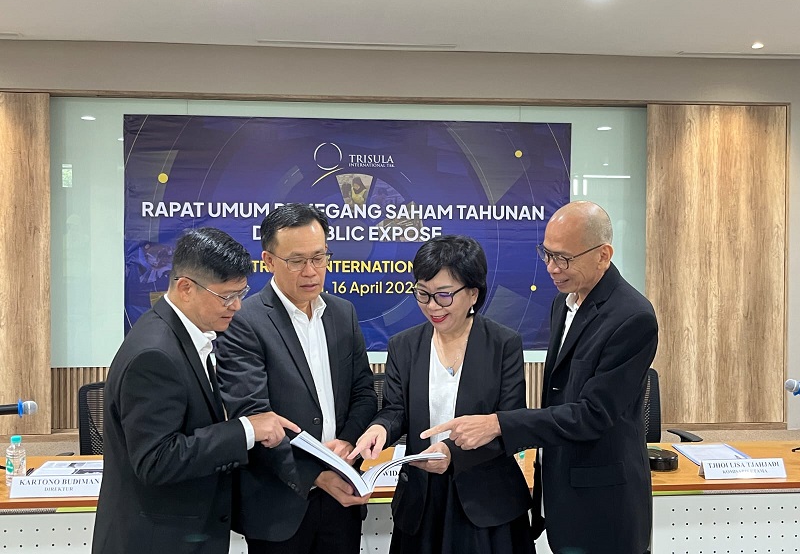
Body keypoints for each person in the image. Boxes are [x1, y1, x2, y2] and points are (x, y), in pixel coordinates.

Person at [423, 201, 658, 554]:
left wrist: (498, 423)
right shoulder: (563, 303)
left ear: (603, 255)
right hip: (560, 494)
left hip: (603, 505)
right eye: (546, 254)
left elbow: (592, 414)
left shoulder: (632, 317)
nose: (551, 268)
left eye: (563, 258)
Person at [93, 227, 301, 554]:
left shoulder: (186, 335)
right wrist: (246, 430)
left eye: (241, 293)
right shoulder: (155, 354)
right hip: (156, 541)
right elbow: (156, 460)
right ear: (186, 288)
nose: (236, 306)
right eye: (226, 297)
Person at [349, 235, 533, 554]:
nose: (432, 306)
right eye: (423, 293)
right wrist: (380, 428)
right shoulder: (404, 346)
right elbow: (395, 410)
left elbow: (510, 425)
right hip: (421, 501)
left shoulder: (503, 345)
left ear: (473, 293)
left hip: (486, 502)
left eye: (444, 295)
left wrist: (452, 453)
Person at [215, 204, 377, 554]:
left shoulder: (343, 313)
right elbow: (253, 415)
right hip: (279, 502)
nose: (311, 271)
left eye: (319, 258)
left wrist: (347, 442)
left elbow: (364, 392)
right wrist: (316, 473)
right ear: (269, 261)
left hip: (342, 497)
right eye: (297, 260)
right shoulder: (244, 321)